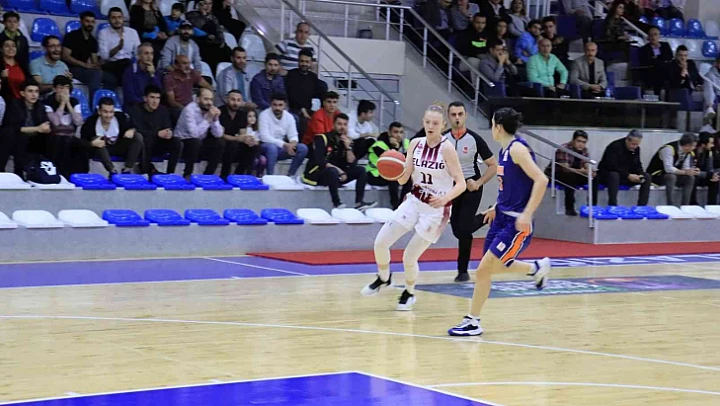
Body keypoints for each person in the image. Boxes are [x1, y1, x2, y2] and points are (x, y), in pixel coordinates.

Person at [448, 108, 551, 336]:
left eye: (493, 123)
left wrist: (527, 214)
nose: (491, 128)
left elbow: (541, 180)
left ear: (499, 127)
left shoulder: (517, 149)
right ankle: (536, 269)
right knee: (486, 270)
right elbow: (513, 187)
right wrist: (496, 206)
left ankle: (473, 320)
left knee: (484, 269)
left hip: (515, 223)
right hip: (501, 217)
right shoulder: (505, 149)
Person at [360, 104, 467, 311]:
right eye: (427, 122)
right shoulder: (415, 144)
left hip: (436, 210)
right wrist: (391, 169)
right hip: (413, 201)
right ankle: (384, 278)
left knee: (409, 257)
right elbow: (403, 179)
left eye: (435, 123)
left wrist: (445, 198)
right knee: (380, 243)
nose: (430, 126)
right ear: (423, 122)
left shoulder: (447, 149)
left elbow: (461, 183)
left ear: (443, 125)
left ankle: (409, 292)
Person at [445, 102, 497, 283]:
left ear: (465, 116)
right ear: (449, 117)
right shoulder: (443, 139)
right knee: (457, 230)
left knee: (465, 229)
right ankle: (487, 215)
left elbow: (493, 165)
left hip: (470, 186)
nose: (457, 118)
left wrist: (479, 182)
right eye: (453, 114)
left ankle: (462, 271)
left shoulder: (475, 139)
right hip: (452, 188)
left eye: (460, 114)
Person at [301, 113, 376, 210]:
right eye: (339, 124)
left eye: (345, 124)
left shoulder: (346, 141)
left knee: (361, 170)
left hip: (336, 175)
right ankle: (337, 203)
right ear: (333, 125)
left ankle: (359, 202)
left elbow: (352, 163)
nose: (342, 127)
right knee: (332, 171)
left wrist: (348, 147)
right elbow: (320, 161)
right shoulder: (322, 138)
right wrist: (340, 172)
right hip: (316, 174)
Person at [0, 81, 51, 178]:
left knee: (54, 139)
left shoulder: (40, 107)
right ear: (22, 93)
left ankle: (49, 172)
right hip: (16, 137)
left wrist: (46, 128)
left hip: (34, 139)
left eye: (36, 91)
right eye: (30, 91)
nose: (34, 95)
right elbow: (13, 127)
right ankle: (7, 170)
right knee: (11, 134)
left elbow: (45, 124)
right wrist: (37, 129)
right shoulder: (14, 105)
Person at [80, 97, 143, 176]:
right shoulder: (90, 122)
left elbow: (135, 127)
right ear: (99, 111)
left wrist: (132, 130)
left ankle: (127, 169)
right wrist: (92, 143)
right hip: (101, 150)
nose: (108, 115)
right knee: (96, 140)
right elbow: (82, 142)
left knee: (137, 136)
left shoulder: (120, 117)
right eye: (105, 112)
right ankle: (112, 171)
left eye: (111, 112)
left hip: (118, 146)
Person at [129, 85, 182, 175]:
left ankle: (170, 174)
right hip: (143, 145)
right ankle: (145, 172)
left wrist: (169, 133)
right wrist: (157, 134)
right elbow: (138, 131)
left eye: (158, 98)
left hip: (159, 143)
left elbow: (167, 127)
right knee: (147, 139)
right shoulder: (136, 110)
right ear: (145, 98)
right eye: (152, 97)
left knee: (177, 142)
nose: (155, 101)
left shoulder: (163, 110)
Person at [174, 87, 225, 179]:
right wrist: (208, 119)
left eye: (211, 99)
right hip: (184, 142)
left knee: (220, 142)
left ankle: (208, 176)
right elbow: (194, 134)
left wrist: (215, 119)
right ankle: (187, 174)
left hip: (200, 142)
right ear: (198, 99)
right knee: (195, 142)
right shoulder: (189, 110)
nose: (209, 103)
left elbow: (219, 134)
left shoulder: (210, 109)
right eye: (206, 99)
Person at [545, 130, 597, 216]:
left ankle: (592, 206)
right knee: (570, 177)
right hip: (556, 174)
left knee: (594, 178)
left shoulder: (584, 150)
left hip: (574, 173)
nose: (581, 144)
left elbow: (586, 163)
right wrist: (584, 171)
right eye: (578, 141)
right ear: (573, 140)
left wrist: (590, 171)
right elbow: (565, 169)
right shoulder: (563, 148)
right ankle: (569, 208)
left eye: (584, 142)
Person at [62, 11, 111, 101]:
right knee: (95, 74)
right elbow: (65, 56)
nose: (90, 24)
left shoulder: (93, 41)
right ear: (81, 22)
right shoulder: (71, 36)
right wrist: (84, 65)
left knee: (110, 78)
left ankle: (107, 103)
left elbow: (94, 61)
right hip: (70, 69)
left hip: (83, 69)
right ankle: (94, 103)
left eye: (92, 22)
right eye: (87, 21)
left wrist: (98, 64)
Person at [44, 75, 85, 178]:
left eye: (67, 87)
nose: (64, 91)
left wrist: (69, 105)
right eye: (61, 87)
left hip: (70, 135)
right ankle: (62, 175)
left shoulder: (74, 101)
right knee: (61, 143)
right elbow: (55, 123)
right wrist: (62, 104)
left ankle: (81, 176)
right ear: (54, 89)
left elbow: (78, 122)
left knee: (83, 145)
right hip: (54, 136)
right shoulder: (48, 102)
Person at [597, 130, 651, 206]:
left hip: (627, 176)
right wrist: (628, 175)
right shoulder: (614, 147)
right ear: (627, 140)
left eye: (637, 144)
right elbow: (612, 166)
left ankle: (642, 205)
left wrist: (640, 174)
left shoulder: (636, 149)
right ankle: (613, 204)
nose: (635, 147)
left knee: (647, 177)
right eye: (633, 144)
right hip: (611, 176)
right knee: (614, 175)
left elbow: (637, 164)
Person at [259, 93, 308, 176]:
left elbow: (293, 135)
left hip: (281, 149)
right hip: (266, 147)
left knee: (302, 148)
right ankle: (270, 176)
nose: (277, 108)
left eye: (280, 105)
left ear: (285, 105)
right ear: (271, 104)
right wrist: (285, 145)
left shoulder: (289, 117)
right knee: (272, 148)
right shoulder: (264, 115)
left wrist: (292, 145)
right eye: (274, 105)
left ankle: (290, 176)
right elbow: (264, 137)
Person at [366, 122, 411, 209]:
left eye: (401, 132)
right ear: (389, 133)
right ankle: (395, 205)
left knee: (409, 178)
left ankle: (403, 205)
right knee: (394, 176)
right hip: (374, 174)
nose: (399, 135)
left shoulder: (406, 143)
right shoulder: (379, 145)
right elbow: (391, 161)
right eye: (396, 132)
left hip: (392, 174)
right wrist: (395, 147)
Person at [647, 132, 697, 206]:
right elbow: (668, 169)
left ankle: (685, 205)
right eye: (693, 146)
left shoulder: (688, 152)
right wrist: (685, 172)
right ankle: (670, 205)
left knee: (690, 178)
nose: (694, 148)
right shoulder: (669, 149)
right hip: (657, 175)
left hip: (674, 175)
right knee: (671, 176)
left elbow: (685, 167)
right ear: (687, 145)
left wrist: (690, 171)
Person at [285, 48, 326, 136]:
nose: (304, 64)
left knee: (322, 119)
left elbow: (322, 93)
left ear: (311, 63)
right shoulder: (291, 75)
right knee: (305, 122)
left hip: (308, 110)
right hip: (294, 110)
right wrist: (302, 110)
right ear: (298, 61)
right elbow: (292, 96)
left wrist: (323, 110)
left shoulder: (313, 77)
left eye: (307, 62)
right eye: (302, 61)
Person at [220, 90, 260, 178]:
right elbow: (220, 134)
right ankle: (224, 176)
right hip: (221, 144)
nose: (235, 103)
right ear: (227, 99)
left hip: (235, 143)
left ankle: (238, 175)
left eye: (238, 100)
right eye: (233, 99)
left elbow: (242, 134)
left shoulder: (242, 114)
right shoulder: (220, 112)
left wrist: (248, 140)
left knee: (253, 147)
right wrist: (236, 138)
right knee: (231, 145)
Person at [98, 7, 141, 88]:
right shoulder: (103, 33)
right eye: (113, 18)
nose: (117, 20)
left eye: (119, 17)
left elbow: (138, 52)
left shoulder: (132, 32)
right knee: (127, 66)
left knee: (130, 67)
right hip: (111, 64)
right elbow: (104, 56)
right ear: (109, 19)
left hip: (127, 65)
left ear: (123, 18)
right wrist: (118, 48)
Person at [121, 43, 162, 111]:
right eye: (146, 53)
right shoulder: (130, 72)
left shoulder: (155, 72)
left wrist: (152, 75)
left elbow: (159, 92)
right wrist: (146, 103)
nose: (149, 56)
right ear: (139, 56)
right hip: (134, 107)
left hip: (150, 107)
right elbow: (130, 96)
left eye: (151, 54)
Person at [638, 27, 673, 96]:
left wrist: (656, 58)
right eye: (651, 35)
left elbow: (670, 57)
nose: (653, 37)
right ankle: (658, 96)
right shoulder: (644, 49)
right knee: (659, 70)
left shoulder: (665, 45)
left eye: (655, 34)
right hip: (650, 72)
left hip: (665, 71)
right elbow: (647, 62)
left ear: (659, 36)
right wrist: (660, 59)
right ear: (648, 37)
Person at [691, 132, 719, 205]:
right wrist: (708, 174)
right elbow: (693, 171)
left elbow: (710, 169)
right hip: (692, 176)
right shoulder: (692, 152)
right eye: (711, 143)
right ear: (703, 144)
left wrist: (712, 175)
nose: (713, 145)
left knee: (715, 179)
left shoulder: (709, 152)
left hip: (702, 175)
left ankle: (712, 205)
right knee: (693, 178)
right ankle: (692, 203)